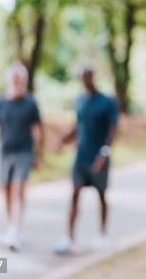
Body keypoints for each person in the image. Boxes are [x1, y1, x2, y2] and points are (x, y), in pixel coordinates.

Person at [0, 63, 44, 251]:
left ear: (24, 81)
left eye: (19, 79)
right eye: (13, 79)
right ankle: (11, 227)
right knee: (6, 191)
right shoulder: (1, 103)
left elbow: (38, 130)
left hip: (24, 153)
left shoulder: (31, 103)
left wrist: (38, 154)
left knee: (18, 189)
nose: (16, 82)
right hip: (4, 153)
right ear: (9, 81)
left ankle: (15, 230)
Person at [54, 66, 119, 255]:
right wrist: (64, 140)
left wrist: (104, 153)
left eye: (87, 76)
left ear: (93, 77)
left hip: (99, 157)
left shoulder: (107, 102)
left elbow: (113, 128)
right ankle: (69, 237)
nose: (84, 80)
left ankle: (102, 234)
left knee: (101, 195)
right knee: (74, 192)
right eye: (81, 77)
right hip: (81, 156)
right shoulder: (80, 100)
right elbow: (79, 124)